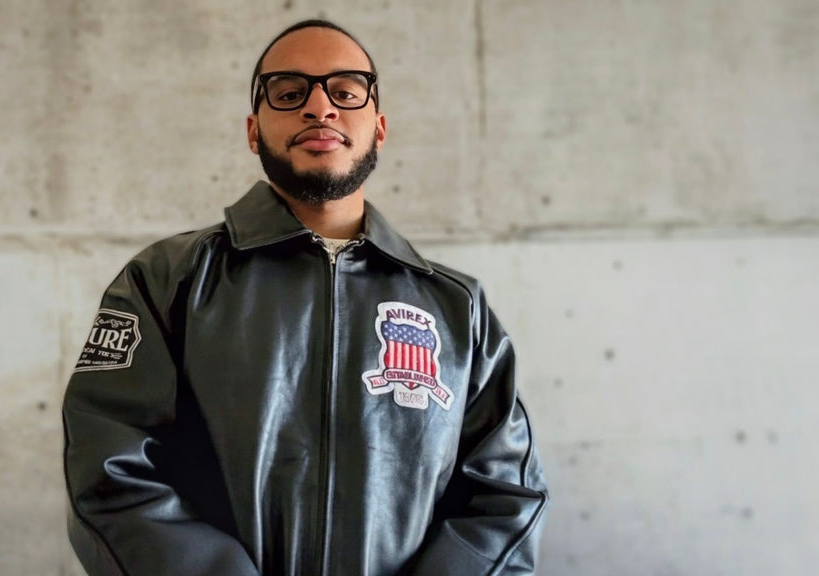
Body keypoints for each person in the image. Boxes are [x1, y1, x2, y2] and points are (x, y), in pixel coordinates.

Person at [63, 19, 548, 576]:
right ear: (253, 130)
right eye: (290, 93)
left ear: (379, 127)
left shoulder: (457, 308)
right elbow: (107, 471)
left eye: (344, 91)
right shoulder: (166, 279)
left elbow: (507, 496)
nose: (320, 108)